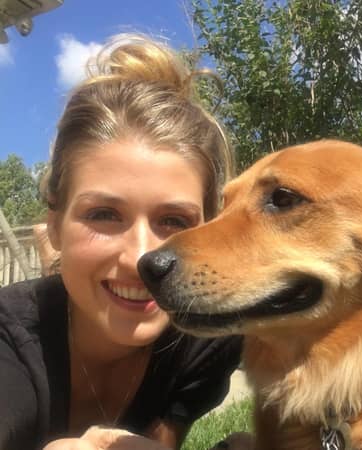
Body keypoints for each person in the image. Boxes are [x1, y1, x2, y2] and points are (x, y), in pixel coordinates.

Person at [0, 33, 245, 450]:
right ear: (54, 226)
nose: (140, 258)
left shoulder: (207, 343)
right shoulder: (11, 341)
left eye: (174, 220)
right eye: (104, 214)